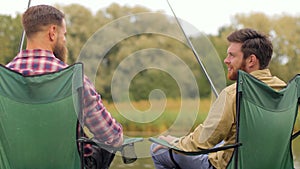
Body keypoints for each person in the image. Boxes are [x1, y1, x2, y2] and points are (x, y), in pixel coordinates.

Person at [150, 28, 287, 169]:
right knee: (221, 142)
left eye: (232, 55)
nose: (226, 60)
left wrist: (174, 142)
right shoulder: (284, 91)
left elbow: (201, 142)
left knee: (158, 150)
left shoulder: (233, 93)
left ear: (251, 60)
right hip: (270, 164)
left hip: (228, 166)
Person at [6, 4, 123, 168]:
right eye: (64, 34)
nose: (64, 40)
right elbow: (112, 137)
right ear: (53, 32)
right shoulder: (76, 80)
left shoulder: (4, 80)